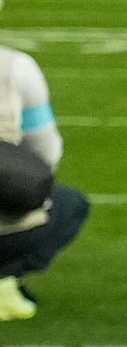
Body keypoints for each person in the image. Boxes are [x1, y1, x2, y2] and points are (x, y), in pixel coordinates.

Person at [0, 22, 86, 320]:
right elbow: (45, 156)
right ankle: (4, 280)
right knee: (71, 203)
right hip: (5, 225)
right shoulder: (15, 68)